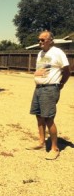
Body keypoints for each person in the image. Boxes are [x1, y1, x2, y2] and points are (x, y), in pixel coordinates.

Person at [27, 31, 70, 160]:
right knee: (39, 116)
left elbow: (67, 70)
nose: (40, 42)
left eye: (42, 40)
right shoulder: (40, 53)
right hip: (39, 88)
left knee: (48, 118)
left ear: (51, 40)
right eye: (39, 40)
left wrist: (61, 83)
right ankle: (41, 142)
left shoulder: (57, 52)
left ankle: (54, 148)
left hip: (50, 89)